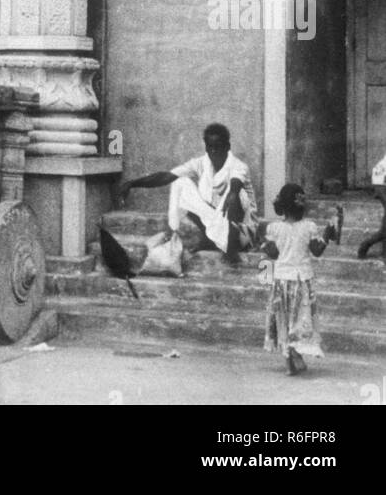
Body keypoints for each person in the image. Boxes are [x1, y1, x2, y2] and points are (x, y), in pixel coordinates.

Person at [119, 122, 258, 265]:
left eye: (218, 147)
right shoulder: (201, 163)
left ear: (227, 147)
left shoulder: (238, 166)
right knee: (180, 182)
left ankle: (230, 249)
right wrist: (132, 183)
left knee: (236, 192)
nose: (214, 151)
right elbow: (166, 176)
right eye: (210, 147)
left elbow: (235, 185)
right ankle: (183, 235)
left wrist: (233, 193)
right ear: (206, 147)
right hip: (215, 226)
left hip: (240, 234)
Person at [261, 182, 341, 375]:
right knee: (299, 320)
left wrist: (262, 243)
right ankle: (296, 354)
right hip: (301, 281)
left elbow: (271, 254)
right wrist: (328, 234)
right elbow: (317, 251)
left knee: (284, 319)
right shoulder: (309, 227)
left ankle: (289, 359)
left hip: (281, 281)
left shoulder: (274, 228)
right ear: (302, 206)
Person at [357, 153, 386, 261]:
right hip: (382, 190)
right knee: (384, 231)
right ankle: (364, 246)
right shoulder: (382, 165)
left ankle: (383, 253)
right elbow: (378, 188)